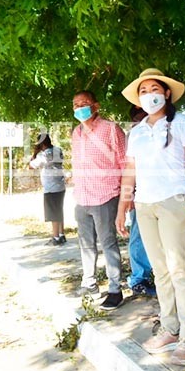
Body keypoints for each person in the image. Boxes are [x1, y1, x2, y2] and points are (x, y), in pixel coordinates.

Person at [115, 68, 185, 366]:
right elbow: (130, 170)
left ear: (166, 93)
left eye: (154, 89)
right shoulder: (137, 131)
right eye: (143, 91)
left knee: (179, 269)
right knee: (160, 271)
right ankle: (169, 328)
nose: (149, 95)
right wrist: (122, 204)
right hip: (144, 205)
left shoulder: (182, 123)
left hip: (174, 203)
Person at [71, 90, 126, 311]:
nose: (79, 107)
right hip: (82, 197)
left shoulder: (111, 129)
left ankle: (115, 289)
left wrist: (126, 196)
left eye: (84, 103)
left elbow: (124, 162)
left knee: (108, 243)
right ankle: (90, 283)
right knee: (86, 243)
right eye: (75, 105)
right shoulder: (76, 132)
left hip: (106, 195)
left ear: (96, 106)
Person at [125, 105, 156, 297]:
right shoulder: (134, 135)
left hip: (162, 194)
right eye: (139, 116)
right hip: (141, 195)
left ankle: (154, 274)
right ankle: (138, 278)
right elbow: (129, 168)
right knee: (138, 236)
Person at [28, 133, 66, 246]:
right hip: (60, 185)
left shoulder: (44, 155)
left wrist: (35, 152)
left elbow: (31, 165)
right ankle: (61, 234)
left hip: (50, 188)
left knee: (53, 213)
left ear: (41, 144)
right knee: (59, 210)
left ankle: (55, 238)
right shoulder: (58, 150)